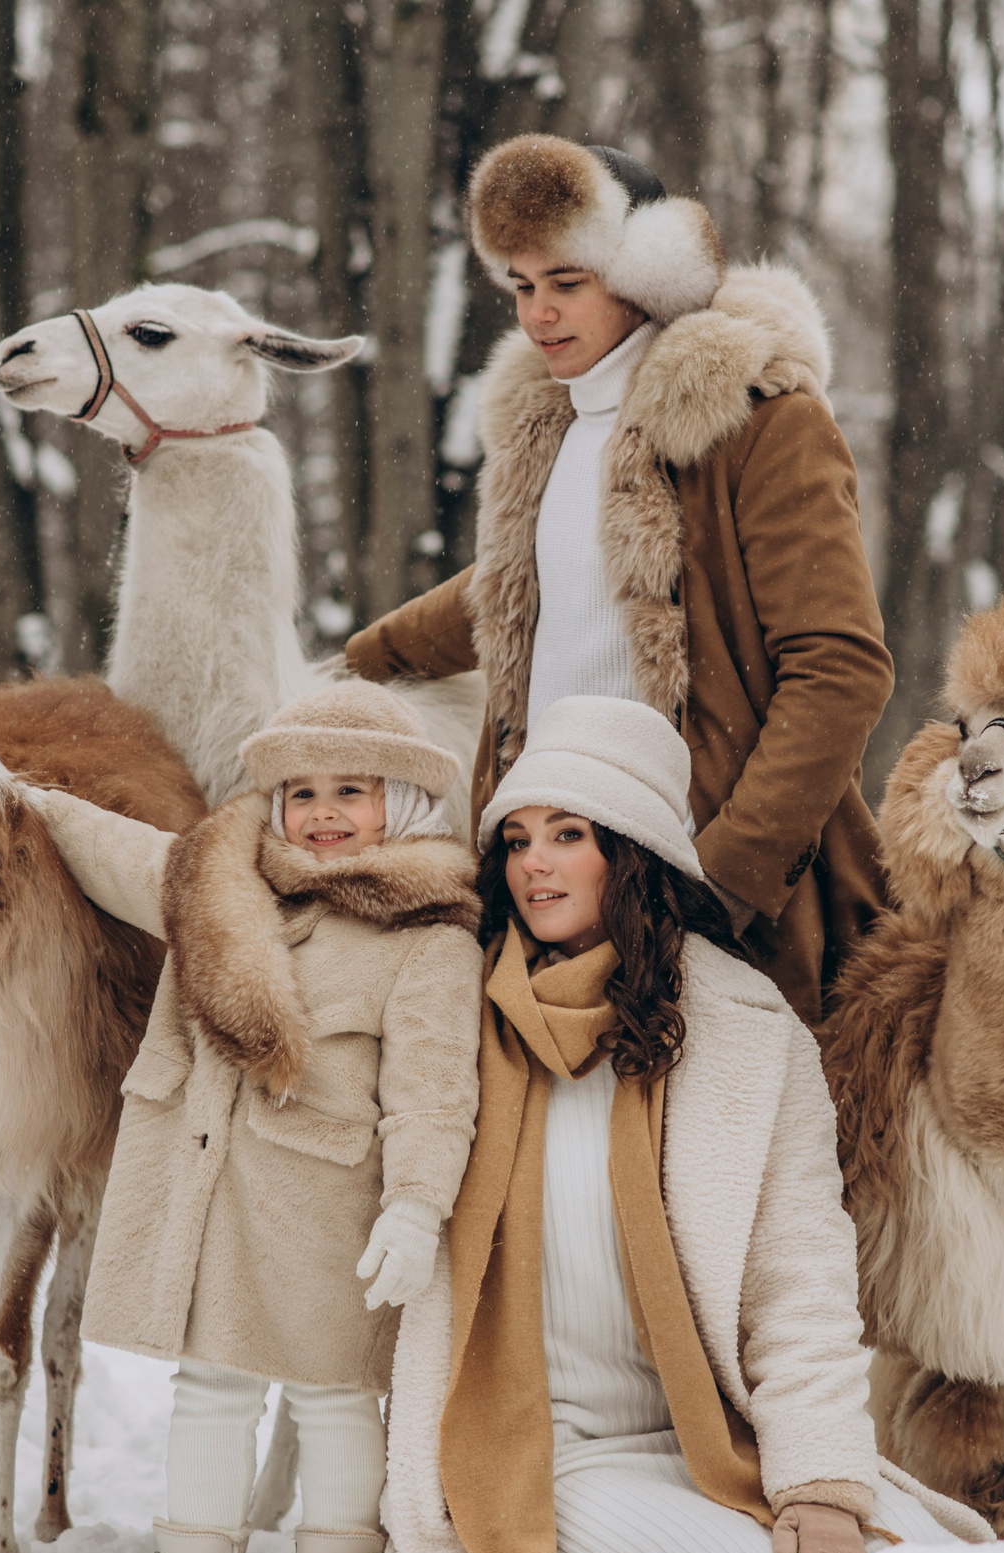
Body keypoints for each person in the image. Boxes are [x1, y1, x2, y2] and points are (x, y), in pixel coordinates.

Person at [378, 698, 990, 1553]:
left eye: (567, 834)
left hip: (718, 1434)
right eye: (516, 840)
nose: (533, 861)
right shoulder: (451, 1020)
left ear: (627, 850)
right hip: (544, 1454)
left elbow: (798, 1277)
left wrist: (820, 1481)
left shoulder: (743, 1030)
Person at [344, 133, 894, 1024]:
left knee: (706, 1160)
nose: (538, 315)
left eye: (567, 283)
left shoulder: (760, 425)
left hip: (703, 889)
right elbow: (518, 585)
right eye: (521, 286)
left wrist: (723, 877)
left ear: (648, 278)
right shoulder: (548, 429)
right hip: (542, 878)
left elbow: (840, 668)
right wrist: (353, 666)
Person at [20, 683, 483, 1553]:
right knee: (211, 1383)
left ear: (398, 802)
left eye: (350, 791)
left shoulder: (427, 937)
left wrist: (415, 1205)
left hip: (328, 1209)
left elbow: (434, 1093)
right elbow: (120, 854)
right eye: (302, 791)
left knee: (335, 1392)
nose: (322, 813)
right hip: (212, 1194)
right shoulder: (219, 883)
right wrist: (35, 802)